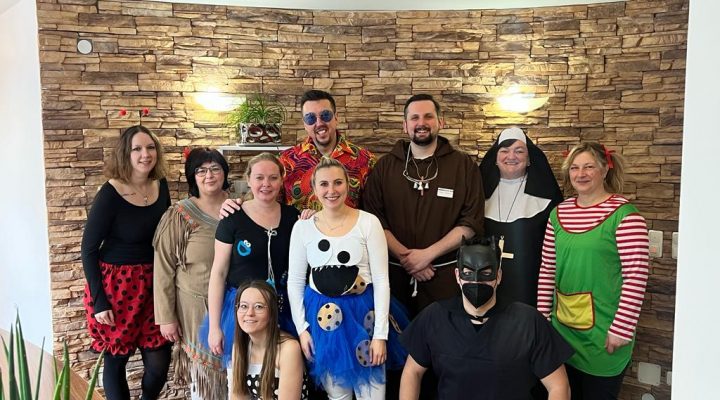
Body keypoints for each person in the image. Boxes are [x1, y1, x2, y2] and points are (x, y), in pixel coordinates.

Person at [537, 142, 650, 400]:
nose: (581, 174)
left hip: (604, 332)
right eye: (574, 168)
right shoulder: (558, 213)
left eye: (589, 167)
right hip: (562, 331)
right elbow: (547, 269)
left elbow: (636, 275)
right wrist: (543, 319)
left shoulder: (625, 216)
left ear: (605, 169)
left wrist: (622, 328)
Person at [287, 157, 407, 400]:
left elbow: (381, 280)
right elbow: (295, 281)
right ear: (314, 188)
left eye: (338, 182)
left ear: (348, 184)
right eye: (324, 184)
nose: (331, 190)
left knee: (372, 393)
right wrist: (302, 329)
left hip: (365, 318)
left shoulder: (368, 222)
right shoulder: (302, 228)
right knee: (337, 394)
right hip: (324, 322)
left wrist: (380, 335)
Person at [399, 238, 573, 400]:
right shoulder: (435, 317)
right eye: (468, 273)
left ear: (498, 276)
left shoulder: (528, 321)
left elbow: (559, 386)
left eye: (486, 273)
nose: (476, 281)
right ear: (458, 275)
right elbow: (412, 372)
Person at [363, 93, 485, 317]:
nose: (421, 123)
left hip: (444, 278)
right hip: (394, 278)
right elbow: (373, 220)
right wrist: (407, 259)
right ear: (405, 125)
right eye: (414, 118)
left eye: (428, 116)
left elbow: (471, 222)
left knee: (442, 336)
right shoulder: (385, 167)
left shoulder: (463, 166)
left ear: (441, 122)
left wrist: (427, 255)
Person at [81, 125, 171, 400]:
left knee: (159, 362)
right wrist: (99, 301)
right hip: (117, 287)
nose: (145, 154)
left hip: (154, 285)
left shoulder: (161, 185)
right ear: (125, 154)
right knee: (116, 359)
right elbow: (88, 249)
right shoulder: (110, 193)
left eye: (150, 147)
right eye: (137, 149)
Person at [205, 153, 300, 368]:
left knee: (280, 369)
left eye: (273, 178)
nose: (266, 184)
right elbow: (218, 274)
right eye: (259, 178)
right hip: (241, 310)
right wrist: (214, 326)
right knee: (243, 371)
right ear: (248, 179)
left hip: (282, 308)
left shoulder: (293, 217)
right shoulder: (232, 217)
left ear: (282, 180)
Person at [153, 147, 230, 399]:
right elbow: (163, 267)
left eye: (215, 168)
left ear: (224, 173)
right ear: (192, 177)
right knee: (206, 386)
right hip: (196, 310)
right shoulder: (179, 215)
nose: (209, 175)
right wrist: (166, 317)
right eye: (201, 170)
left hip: (236, 307)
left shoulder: (240, 207)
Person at [479, 126, 563, 308]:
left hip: (528, 286)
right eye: (504, 150)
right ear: (495, 158)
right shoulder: (477, 194)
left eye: (519, 151)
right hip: (485, 284)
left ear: (529, 158)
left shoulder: (548, 199)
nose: (511, 156)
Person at [279, 89, 376, 210]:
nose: (319, 123)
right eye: (310, 118)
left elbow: (373, 210)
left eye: (325, 115)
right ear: (304, 124)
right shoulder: (286, 161)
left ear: (336, 117)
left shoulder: (366, 161)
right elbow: (272, 208)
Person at [230, 280, 308, 400]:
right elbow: (238, 396)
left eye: (259, 307)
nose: (249, 313)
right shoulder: (239, 346)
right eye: (244, 306)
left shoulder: (288, 348)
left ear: (272, 313)